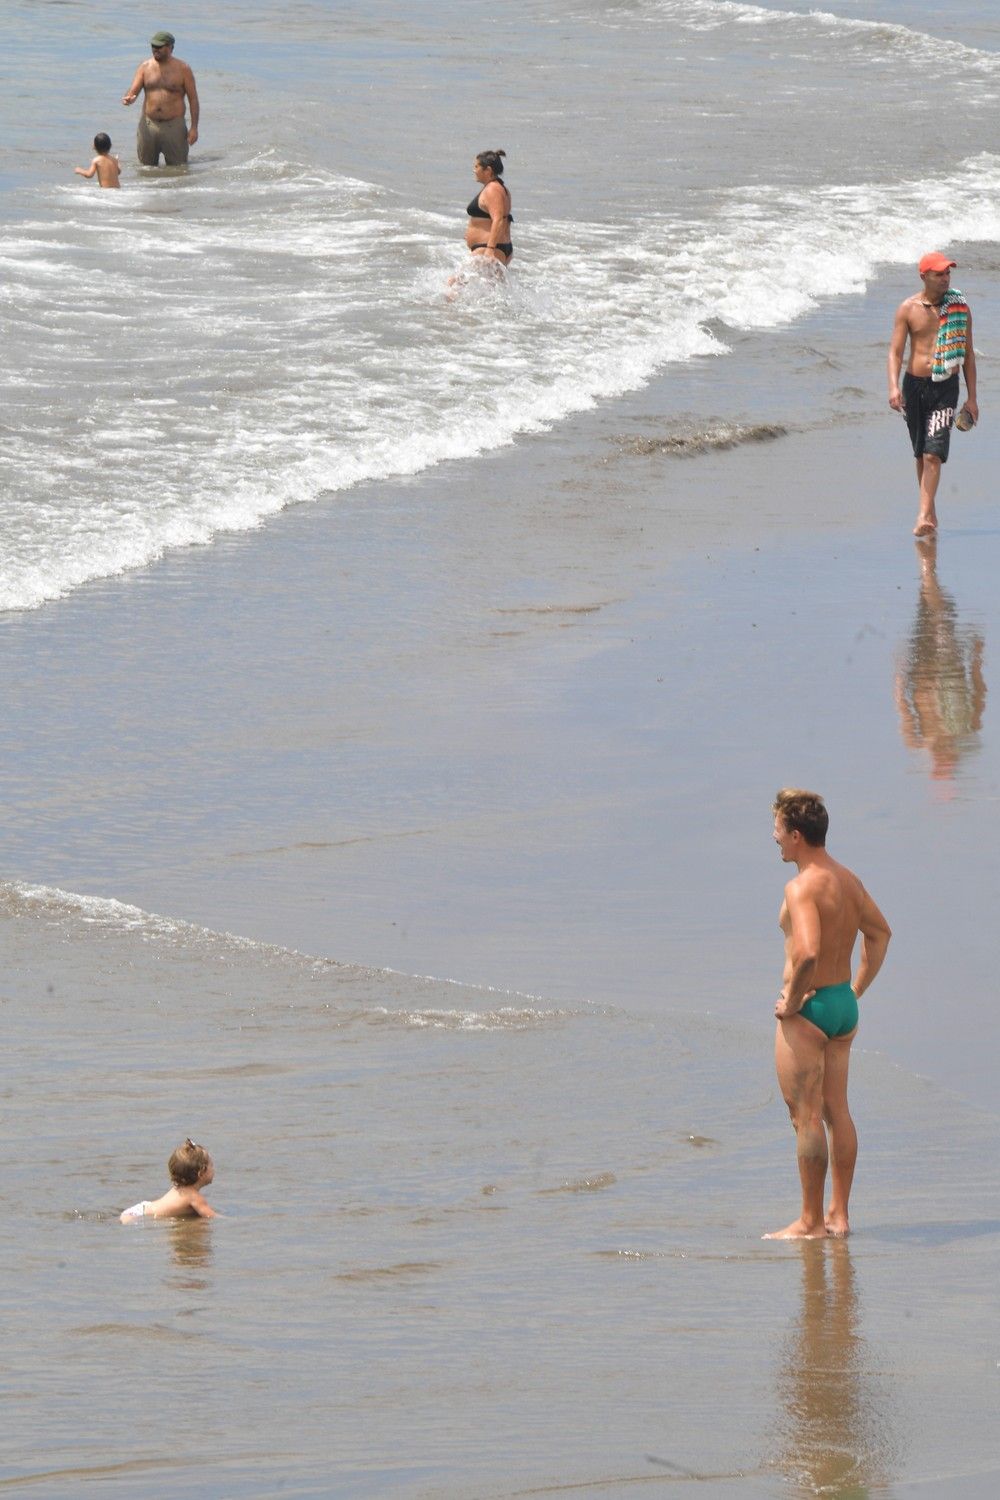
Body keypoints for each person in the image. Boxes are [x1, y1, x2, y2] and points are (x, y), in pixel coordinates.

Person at [765, 789, 891, 1240]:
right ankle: (839, 1215)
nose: (774, 839)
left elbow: (808, 953)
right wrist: (856, 988)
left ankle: (809, 1221)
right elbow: (880, 934)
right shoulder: (849, 879)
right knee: (839, 1111)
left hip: (811, 1008)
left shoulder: (800, 887)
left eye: (778, 831)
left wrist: (794, 1001)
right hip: (842, 1007)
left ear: (797, 836)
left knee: (806, 1115)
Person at [888, 252, 978, 538]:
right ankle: (930, 510)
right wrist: (893, 386)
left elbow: (967, 354)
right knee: (920, 452)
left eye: (948, 273)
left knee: (933, 454)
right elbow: (895, 352)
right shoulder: (908, 309)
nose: (945, 278)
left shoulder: (959, 309)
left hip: (945, 388)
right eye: (939, 274)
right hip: (914, 387)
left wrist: (972, 398)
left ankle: (923, 514)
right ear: (923, 276)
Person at [122, 30, 199, 167]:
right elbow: (133, 91)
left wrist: (194, 128)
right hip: (149, 124)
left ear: (170, 47)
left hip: (174, 125)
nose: (155, 49)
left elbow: (193, 99)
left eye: (159, 47)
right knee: (146, 169)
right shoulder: (145, 67)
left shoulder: (183, 69)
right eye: (153, 46)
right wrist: (129, 99)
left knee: (179, 169)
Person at [120, 1138, 217, 1222]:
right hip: (136, 1216)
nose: (214, 1169)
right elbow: (211, 1216)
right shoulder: (194, 1197)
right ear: (201, 1173)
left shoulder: (179, 1189)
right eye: (211, 1165)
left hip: (141, 1209)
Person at [465, 149, 513, 266]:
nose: (474, 170)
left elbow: (498, 219)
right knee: (492, 285)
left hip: (489, 249)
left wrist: (490, 249)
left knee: (453, 283)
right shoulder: (498, 188)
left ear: (488, 170)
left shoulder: (493, 190)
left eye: (476, 167)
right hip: (494, 248)